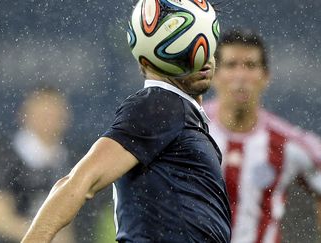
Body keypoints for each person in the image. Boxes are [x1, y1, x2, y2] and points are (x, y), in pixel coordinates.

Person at [21, 13, 231, 243]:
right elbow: (80, 181)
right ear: (150, 59)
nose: (203, 57)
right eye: (184, 47)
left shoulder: (181, 113)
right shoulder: (160, 104)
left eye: (207, 44)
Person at [203, 28, 321, 243]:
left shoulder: (288, 143)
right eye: (231, 65)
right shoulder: (188, 130)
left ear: (265, 76)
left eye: (250, 66)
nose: (240, 76)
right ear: (213, 74)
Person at [0, 87, 75, 243]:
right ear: (25, 115)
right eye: (42, 114)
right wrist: (42, 234)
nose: (48, 120)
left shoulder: (67, 160)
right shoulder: (12, 158)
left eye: (54, 114)